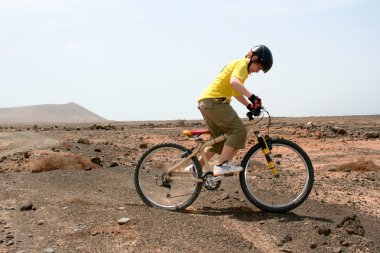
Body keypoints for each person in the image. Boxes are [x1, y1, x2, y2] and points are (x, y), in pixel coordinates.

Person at [188, 45, 273, 176]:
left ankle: (196, 167)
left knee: (219, 140)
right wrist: (252, 97)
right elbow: (234, 83)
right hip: (215, 101)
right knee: (239, 130)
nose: (258, 71)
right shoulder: (242, 64)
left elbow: (235, 91)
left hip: (207, 102)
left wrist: (249, 106)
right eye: (259, 67)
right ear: (254, 58)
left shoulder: (241, 67)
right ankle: (222, 165)